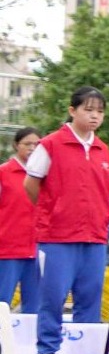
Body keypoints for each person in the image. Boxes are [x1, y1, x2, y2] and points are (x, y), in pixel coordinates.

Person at [25, 86, 109, 354]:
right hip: (57, 237)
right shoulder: (50, 145)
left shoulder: (104, 151)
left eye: (99, 111)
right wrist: (54, 211)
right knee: (52, 297)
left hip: (94, 238)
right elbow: (31, 184)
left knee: (89, 299)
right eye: (88, 110)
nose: (94, 116)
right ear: (72, 110)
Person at [0, 127, 41, 316]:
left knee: (34, 307)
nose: (32, 148)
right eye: (27, 144)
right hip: (8, 249)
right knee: (3, 302)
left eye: (37, 144)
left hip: (36, 250)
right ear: (16, 145)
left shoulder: (44, 176)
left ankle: (28, 344)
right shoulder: (4, 173)